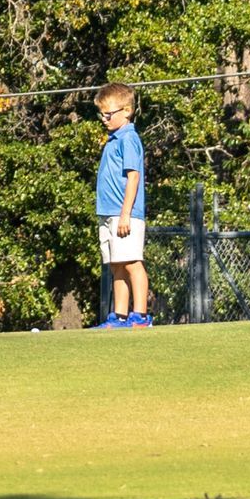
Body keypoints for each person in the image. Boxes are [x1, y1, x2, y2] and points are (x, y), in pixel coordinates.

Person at [92, 82, 152, 328]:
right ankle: (119, 316)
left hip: (123, 214)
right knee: (117, 266)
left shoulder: (129, 138)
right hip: (108, 214)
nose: (104, 119)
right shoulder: (113, 139)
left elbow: (133, 177)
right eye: (101, 114)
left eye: (108, 114)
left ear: (126, 111)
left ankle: (140, 316)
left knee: (132, 263)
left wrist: (125, 214)